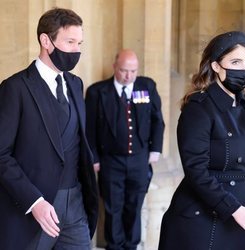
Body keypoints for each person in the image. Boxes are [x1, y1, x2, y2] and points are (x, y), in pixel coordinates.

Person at [0, 7, 98, 250]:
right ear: (46, 40)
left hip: (75, 206)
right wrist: (34, 202)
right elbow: (1, 154)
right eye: (70, 42)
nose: (77, 50)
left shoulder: (76, 84)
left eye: (80, 43)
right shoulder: (15, 88)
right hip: (32, 211)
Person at [158, 31, 245, 250]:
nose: (244, 69)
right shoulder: (198, 108)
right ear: (216, 66)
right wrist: (234, 208)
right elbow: (196, 170)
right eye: (235, 62)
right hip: (208, 218)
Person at [85, 49, 165, 250]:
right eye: (123, 70)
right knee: (113, 207)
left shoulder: (147, 86)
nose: (128, 76)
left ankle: (131, 246)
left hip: (140, 159)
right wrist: (93, 157)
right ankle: (115, 246)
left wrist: (155, 149)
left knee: (134, 205)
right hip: (110, 160)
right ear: (114, 67)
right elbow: (89, 128)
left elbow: (157, 120)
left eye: (133, 71)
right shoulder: (97, 92)